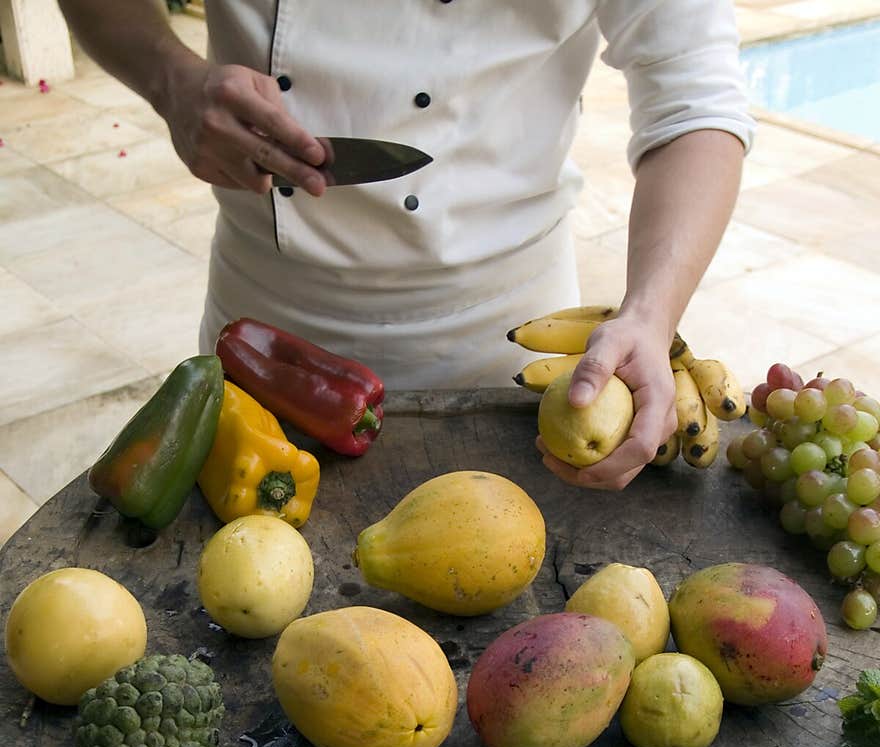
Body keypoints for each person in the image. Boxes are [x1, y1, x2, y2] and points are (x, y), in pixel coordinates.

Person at [58, 0, 755, 490]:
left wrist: (650, 312)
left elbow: (695, 104)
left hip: (510, 353)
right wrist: (170, 78)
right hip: (263, 342)